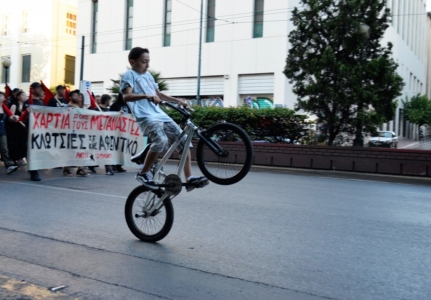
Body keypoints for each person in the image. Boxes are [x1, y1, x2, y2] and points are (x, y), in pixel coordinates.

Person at [121, 47, 207, 191]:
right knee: (161, 140)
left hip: (159, 115)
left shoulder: (148, 76)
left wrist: (177, 101)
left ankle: (190, 178)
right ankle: (144, 173)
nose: (147, 65)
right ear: (132, 62)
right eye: (144, 62)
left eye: (148, 62)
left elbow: (158, 95)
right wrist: (146, 96)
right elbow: (126, 96)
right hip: (146, 116)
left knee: (184, 142)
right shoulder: (129, 75)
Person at [64, 90, 91, 177]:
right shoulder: (66, 107)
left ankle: (80, 168)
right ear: (70, 97)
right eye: (75, 96)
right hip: (70, 132)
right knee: (69, 151)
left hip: (80, 132)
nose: (77, 97)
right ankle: (66, 168)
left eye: (78, 96)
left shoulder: (81, 108)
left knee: (80, 150)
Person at [23, 82, 45, 181]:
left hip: (39, 131)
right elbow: (23, 117)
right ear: (33, 90)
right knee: (30, 151)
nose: (40, 90)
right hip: (29, 130)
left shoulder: (41, 103)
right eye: (38, 88)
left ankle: (35, 168)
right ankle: (33, 172)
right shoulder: (27, 102)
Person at [109, 93, 130, 173]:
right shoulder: (115, 105)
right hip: (116, 129)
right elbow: (110, 115)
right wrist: (117, 113)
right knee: (116, 147)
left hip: (124, 130)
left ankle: (119, 165)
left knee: (122, 148)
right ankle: (113, 164)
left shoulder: (127, 105)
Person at [95, 94, 115, 175]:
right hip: (98, 134)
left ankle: (109, 168)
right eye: (109, 100)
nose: (110, 102)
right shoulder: (96, 109)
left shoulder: (108, 111)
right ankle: (90, 165)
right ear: (106, 101)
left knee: (107, 151)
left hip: (106, 134)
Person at [0, 92, 19, 174]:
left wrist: (15, 118)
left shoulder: (4, 108)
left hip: (2, 131)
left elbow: (9, 118)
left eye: (1, 96)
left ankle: (9, 165)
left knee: (4, 149)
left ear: (4, 98)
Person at [7, 91, 28, 165]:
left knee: (23, 143)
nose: (25, 97)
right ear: (18, 97)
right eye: (22, 95)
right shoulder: (14, 105)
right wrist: (15, 118)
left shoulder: (26, 106)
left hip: (23, 127)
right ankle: (13, 159)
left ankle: (21, 157)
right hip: (15, 128)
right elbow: (10, 116)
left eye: (25, 95)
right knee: (16, 143)